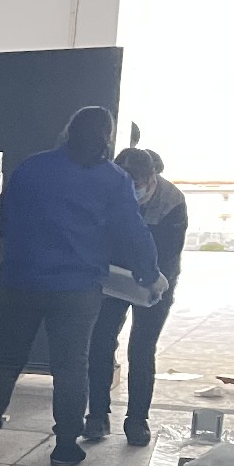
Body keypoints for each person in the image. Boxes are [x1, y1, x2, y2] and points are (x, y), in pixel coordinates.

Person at [0, 107, 163, 466]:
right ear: (107, 137)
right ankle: (65, 447)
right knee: (71, 367)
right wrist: (148, 275)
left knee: (5, 362)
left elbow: (4, 218)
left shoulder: (33, 167)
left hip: (20, 281)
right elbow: (132, 232)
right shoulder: (113, 179)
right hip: (77, 288)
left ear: (68, 130)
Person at [84, 147, 186, 447]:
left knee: (142, 347)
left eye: (137, 185)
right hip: (113, 279)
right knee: (100, 342)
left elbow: (168, 253)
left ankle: (137, 420)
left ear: (152, 177)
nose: (132, 191)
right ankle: (97, 416)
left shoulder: (171, 201)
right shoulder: (105, 191)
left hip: (156, 281)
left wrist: (149, 279)